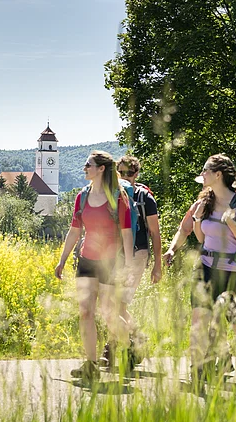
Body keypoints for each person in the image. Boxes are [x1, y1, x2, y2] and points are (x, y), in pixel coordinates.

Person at [167, 154, 236, 387]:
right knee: (199, 320)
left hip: (233, 272)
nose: (202, 175)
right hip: (206, 268)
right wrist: (173, 249)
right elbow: (198, 236)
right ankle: (197, 371)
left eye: (205, 171)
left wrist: (231, 222)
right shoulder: (203, 203)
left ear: (218, 175)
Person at [54, 151, 135, 380]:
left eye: (88, 165)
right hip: (87, 259)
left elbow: (127, 234)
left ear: (101, 169)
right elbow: (75, 230)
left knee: (108, 313)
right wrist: (62, 259)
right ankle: (90, 365)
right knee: (86, 312)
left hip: (110, 262)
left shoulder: (118, 198)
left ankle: (128, 345)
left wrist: (128, 266)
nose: (84, 168)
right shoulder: (82, 197)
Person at [98, 155, 163, 369]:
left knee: (118, 304)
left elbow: (155, 232)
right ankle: (136, 339)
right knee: (113, 304)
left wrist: (157, 265)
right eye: (121, 172)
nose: (125, 176)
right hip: (115, 255)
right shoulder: (113, 194)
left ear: (136, 174)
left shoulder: (145, 198)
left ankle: (114, 348)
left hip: (136, 254)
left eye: (129, 173)